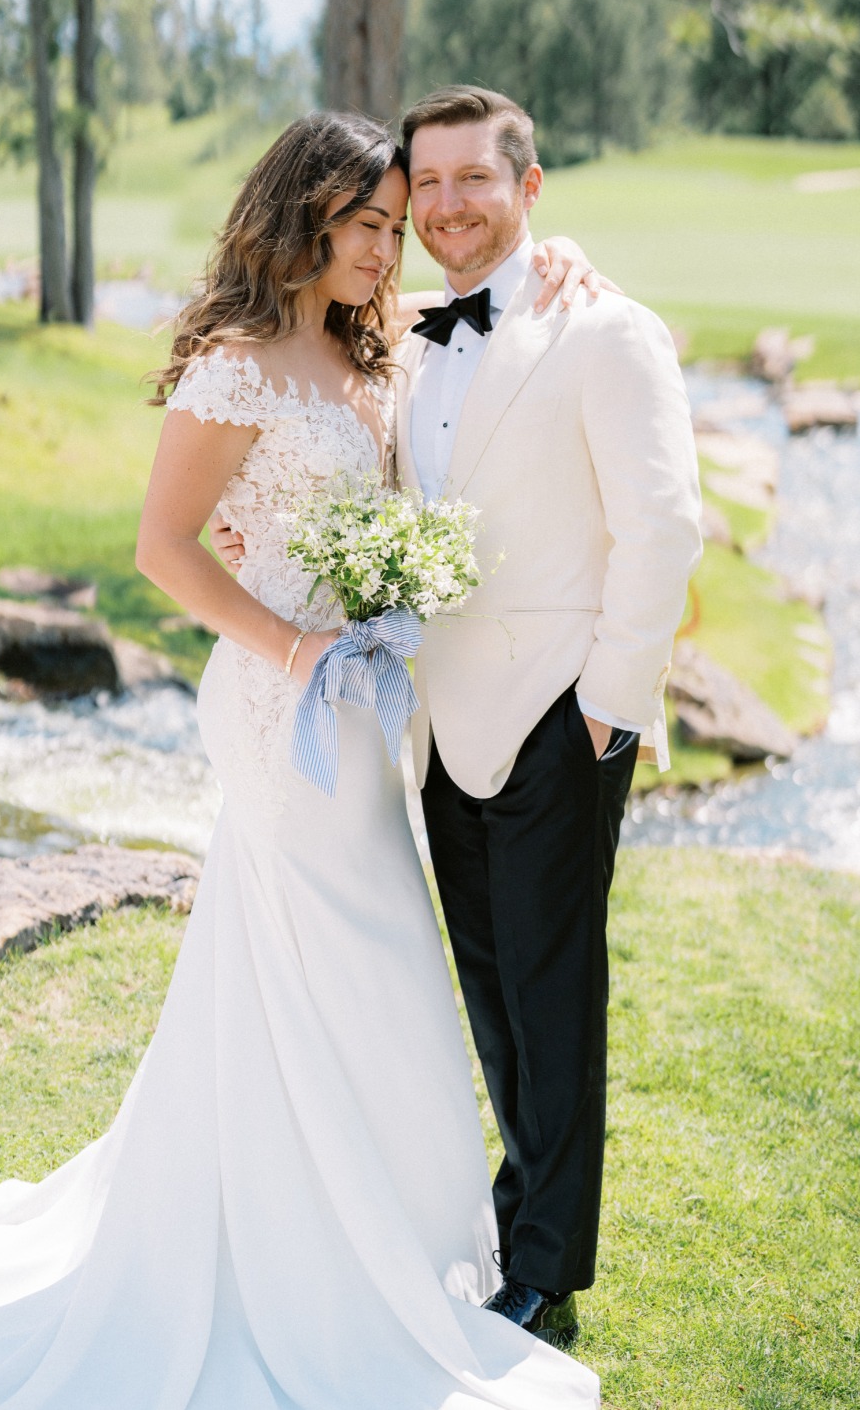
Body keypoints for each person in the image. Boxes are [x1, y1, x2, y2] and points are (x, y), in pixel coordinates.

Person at [0, 111, 612, 1410]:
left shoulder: (377, 343)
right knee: (329, 953)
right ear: (302, 215)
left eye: (394, 224)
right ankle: (299, 1253)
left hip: (365, 707)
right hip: (280, 706)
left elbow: (503, 293)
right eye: (364, 222)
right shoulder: (238, 361)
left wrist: (568, 264)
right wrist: (295, 649)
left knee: (360, 960)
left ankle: (396, 1226)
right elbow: (165, 548)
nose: (386, 245)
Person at [216, 86, 703, 1352]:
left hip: (558, 717)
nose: (441, 208)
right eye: (422, 187)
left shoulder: (608, 330)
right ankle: (518, 1207)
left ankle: (547, 1264)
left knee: (553, 993)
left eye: (471, 180)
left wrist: (609, 710)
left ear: (528, 187)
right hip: (434, 724)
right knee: (489, 989)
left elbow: (665, 530)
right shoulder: (412, 332)